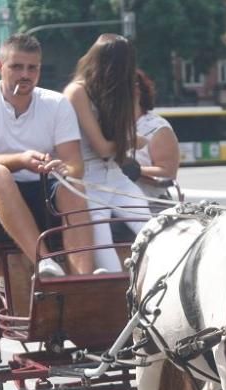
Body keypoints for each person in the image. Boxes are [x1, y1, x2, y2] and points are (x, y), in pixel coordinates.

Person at [0, 33, 94, 278]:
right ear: (0, 66)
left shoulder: (57, 103)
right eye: (17, 67)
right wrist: (20, 160)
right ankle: (44, 261)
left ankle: (83, 280)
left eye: (32, 68)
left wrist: (60, 168)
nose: (25, 75)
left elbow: (75, 165)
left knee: (72, 187)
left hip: (44, 191)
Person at [64, 34, 149, 273]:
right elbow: (102, 147)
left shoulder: (110, 93)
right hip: (87, 181)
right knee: (106, 256)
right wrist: (130, 141)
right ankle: (115, 299)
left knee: (153, 230)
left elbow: (125, 135)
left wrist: (133, 101)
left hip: (113, 175)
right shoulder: (77, 92)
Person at [132, 69, 180, 213]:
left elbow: (168, 172)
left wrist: (135, 171)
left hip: (150, 205)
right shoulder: (108, 126)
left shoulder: (157, 127)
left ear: (136, 91)